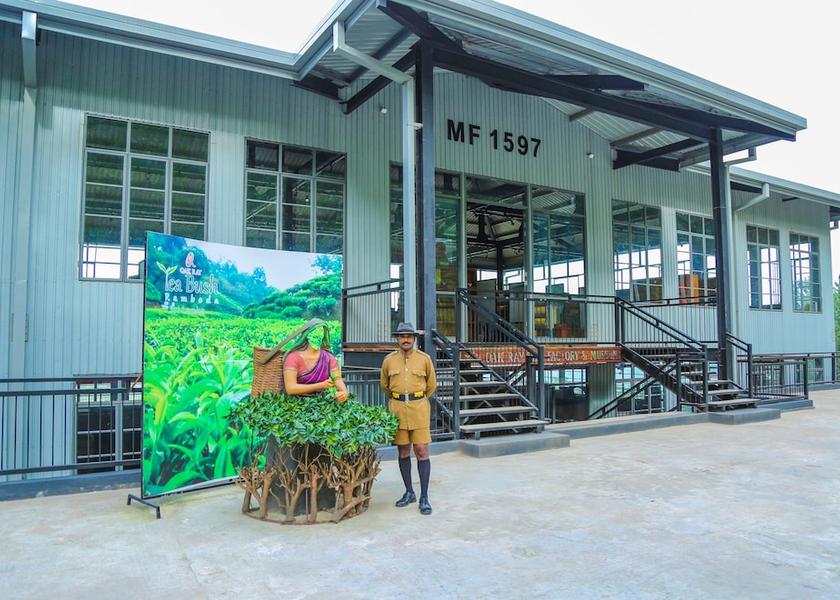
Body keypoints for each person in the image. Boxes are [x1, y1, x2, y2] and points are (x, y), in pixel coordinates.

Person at [380, 322, 437, 515]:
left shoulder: (424, 359)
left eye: (409, 336)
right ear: (397, 339)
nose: (406, 339)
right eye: (402, 336)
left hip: (419, 409)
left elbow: (431, 385)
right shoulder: (388, 360)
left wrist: (416, 400)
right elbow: (385, 385)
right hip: (397, 409)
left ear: (414, 339)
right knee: (403, 450)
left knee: (421, 450)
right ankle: (409, 492)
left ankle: (424, 497)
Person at [283, 323, 348, 402]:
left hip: (323, 401)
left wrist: (344, 392)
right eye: (314, 336)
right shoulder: (293, 358)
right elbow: (291, 388)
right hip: (296, 402)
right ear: (306, 336)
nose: (317, 340)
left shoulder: (329, 357)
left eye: (320, 337)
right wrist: (321, 385)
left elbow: (337, 379)